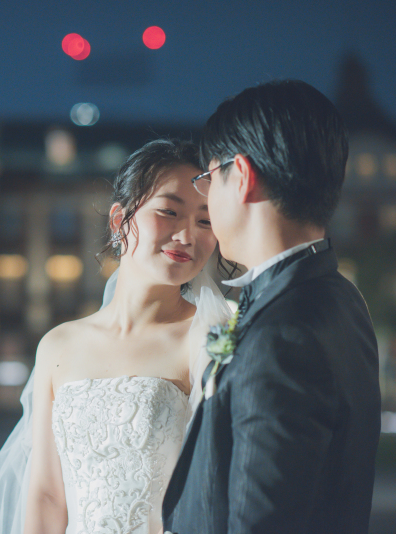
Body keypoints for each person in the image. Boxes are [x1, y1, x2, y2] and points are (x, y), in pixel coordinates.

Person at [162, 80, 381, 533]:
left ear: (240, 176)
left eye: (208, 177)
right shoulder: (340, 298)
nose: (207, 197)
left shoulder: (282, 334)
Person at [0, 139, 232, 534]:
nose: (187, 235)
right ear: (119, 221)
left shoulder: (211, 338)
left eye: (205, 221)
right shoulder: (58, 345)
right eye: (169, 211)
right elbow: (46, 493)